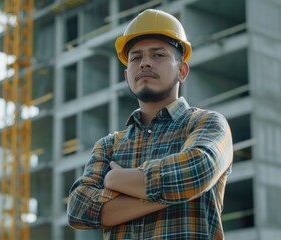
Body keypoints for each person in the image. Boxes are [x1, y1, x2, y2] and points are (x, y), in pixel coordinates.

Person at [67, 8, 233, 240]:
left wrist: (116, 180)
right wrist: (180, 192)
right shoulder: (108, 146)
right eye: (136, 57)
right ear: (127, 76)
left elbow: (196, 172)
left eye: (158, 55)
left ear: (182, 71)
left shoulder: (206, 124)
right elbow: (79, 209)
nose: (145, 63)